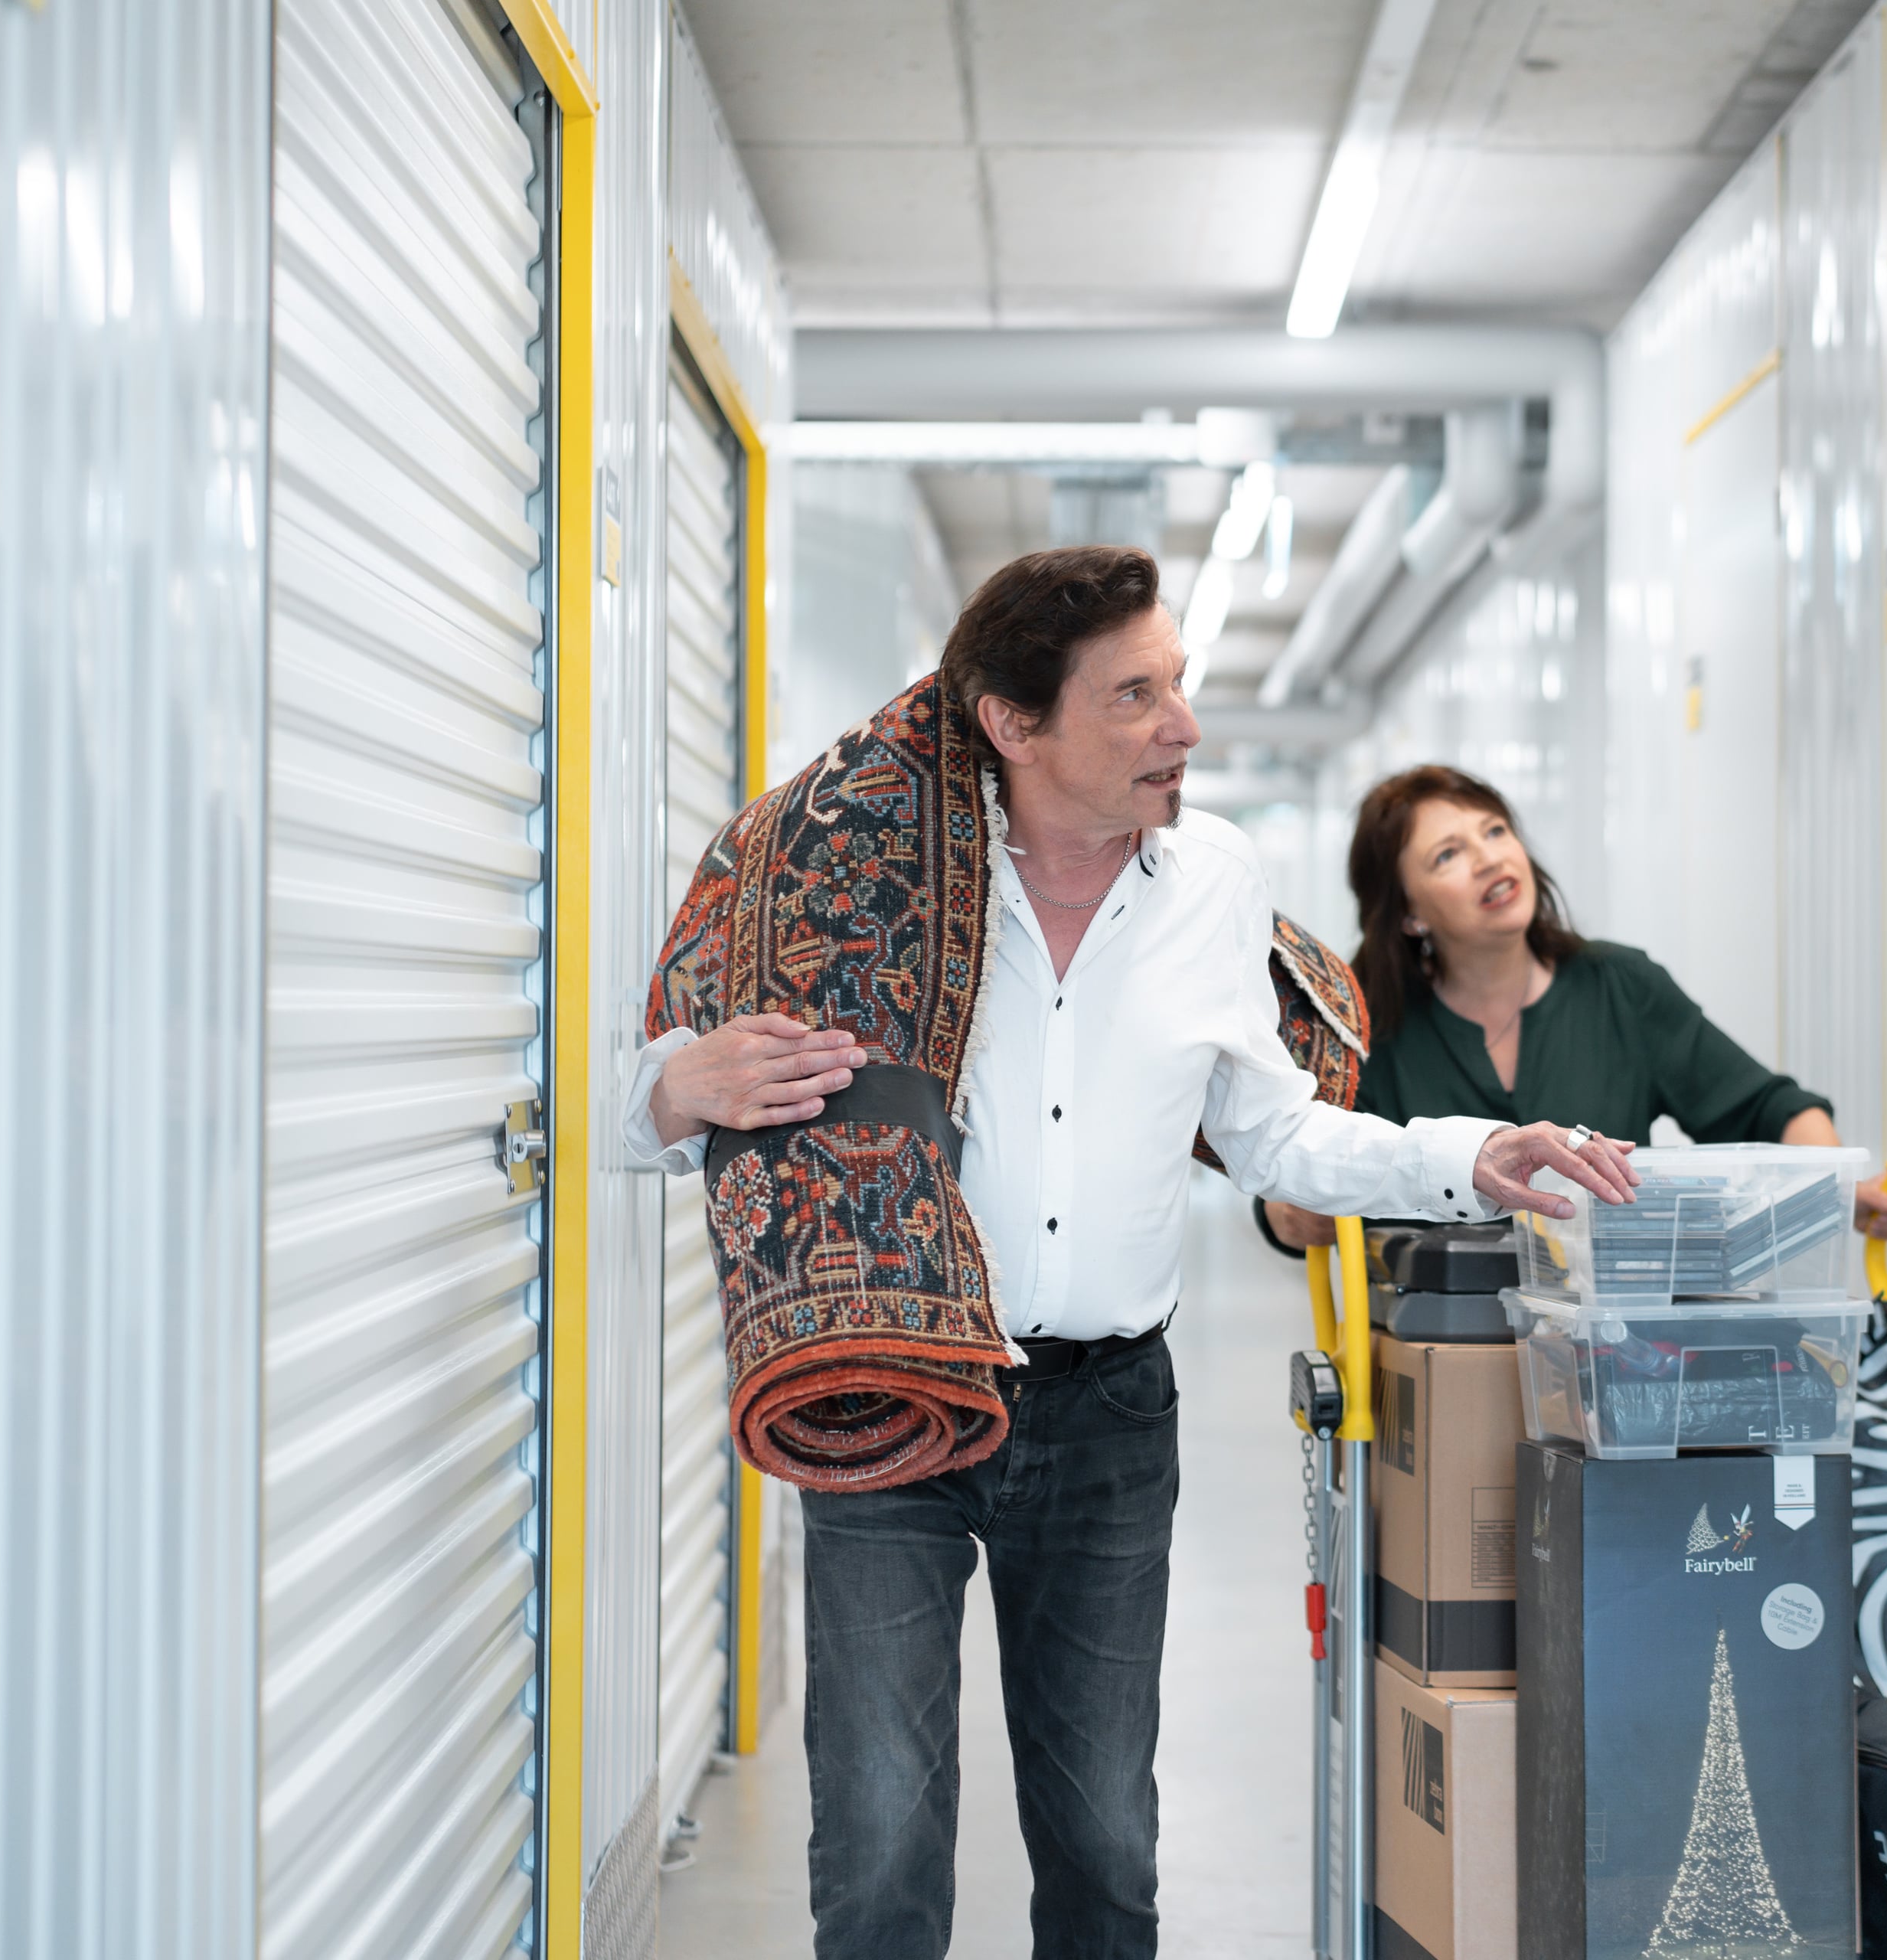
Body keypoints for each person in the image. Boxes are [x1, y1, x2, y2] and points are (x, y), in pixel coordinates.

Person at [623, 548, 1636, 1959]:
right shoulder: (855, 879)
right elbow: (641, 1105)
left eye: (1181, 686)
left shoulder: (1212, 879)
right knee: (876, 1843)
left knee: (1106, 1847)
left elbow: (1276, 1137)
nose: (1185, 728)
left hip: (1105, 1415)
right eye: (1137, 696)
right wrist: (682, 1093)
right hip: (889, 1395)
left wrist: (1468, 1156)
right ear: (1014, 723)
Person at [1261, 764, 1887, 1253]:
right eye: (1449, 854)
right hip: (1435, 1349)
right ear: (1407, 912)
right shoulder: (1364, 1025)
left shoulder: (1619, 988)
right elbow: (1299, 1156)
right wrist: (1290, 1218)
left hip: (1613, 1343)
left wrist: (1839, 1186)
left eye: (1495, 830)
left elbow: (1766, 1107)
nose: (1490, 856)